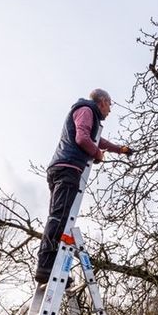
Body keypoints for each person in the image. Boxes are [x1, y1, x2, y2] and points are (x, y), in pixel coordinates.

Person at [34, 89, 132, 285]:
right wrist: (96, 153)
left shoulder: (89, 115)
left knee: (59, 217)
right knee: (59, 217)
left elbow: (97, 140)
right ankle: (45, 265)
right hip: (67, 168)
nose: (110, 110)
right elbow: (82, 138)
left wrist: (119, 150)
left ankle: (50, 265)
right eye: (110, 104)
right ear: (102, 101)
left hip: (63, 168)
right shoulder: (86, 110)